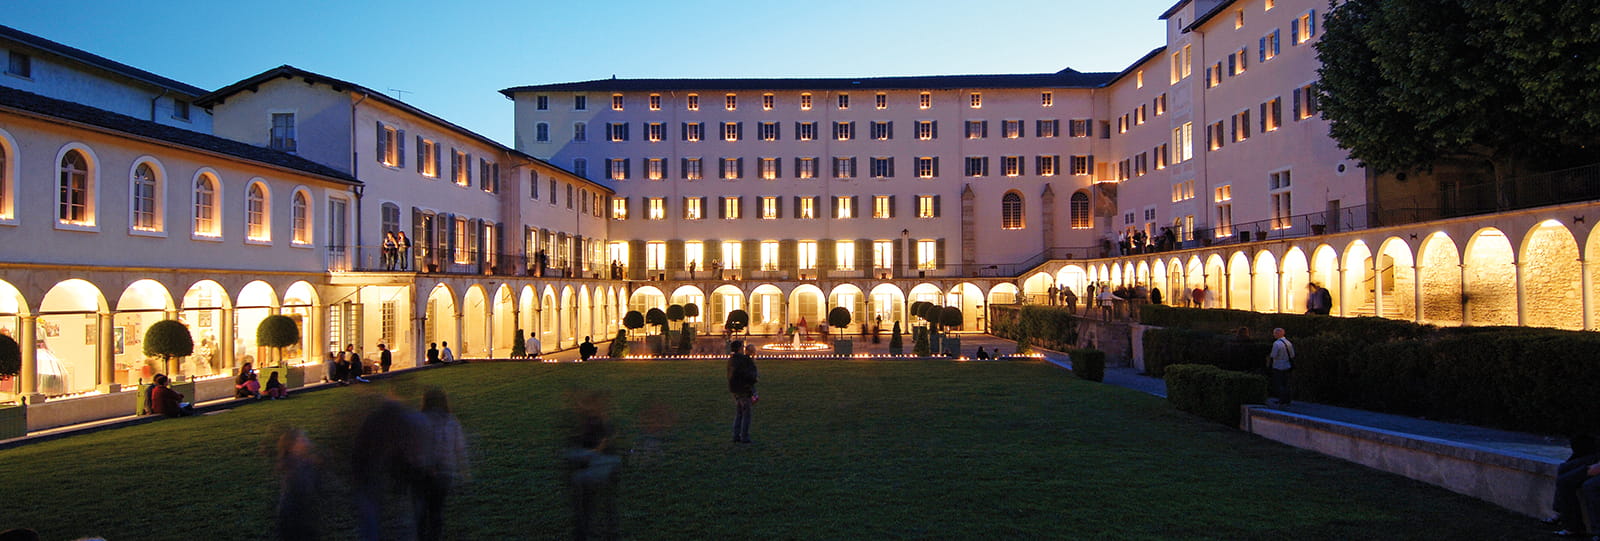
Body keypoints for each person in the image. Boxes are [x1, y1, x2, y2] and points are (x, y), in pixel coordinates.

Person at [416, 388, 469, 541]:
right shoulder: (451, 421)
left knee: (421, 510)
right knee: (436, 510)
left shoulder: (420, 420)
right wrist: (465, 471)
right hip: (445, 471)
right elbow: (460, 448)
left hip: (423, 471)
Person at [274, 428, 321, 540]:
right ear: (293, 446)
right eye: (303, 439)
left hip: (301, 517)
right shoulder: (295, 466)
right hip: (294, 520)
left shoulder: (302, 461)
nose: (307, 441)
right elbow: (305, 489)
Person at [727, 342, 758, 443]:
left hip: (735, 389)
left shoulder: (732, 359)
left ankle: (736, 435)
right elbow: (747, 375)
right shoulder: (743, 360)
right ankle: (744, 436)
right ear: (739, 348)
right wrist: (752, 383)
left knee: (739, 413)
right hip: (744, 389)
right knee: (746, 414)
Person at [1267, 328, 1296, 406]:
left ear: (1278, 334)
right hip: (1287, 365)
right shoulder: (1288, 343)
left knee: (1280, 383)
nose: (1273, 335)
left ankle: (1281, 399)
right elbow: (1292, 355)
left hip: (1278, 365)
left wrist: (1269, 365)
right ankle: (1287, 399)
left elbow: (1273, 355)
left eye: (1274, 333)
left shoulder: (1276, 344)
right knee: (1286, 383)